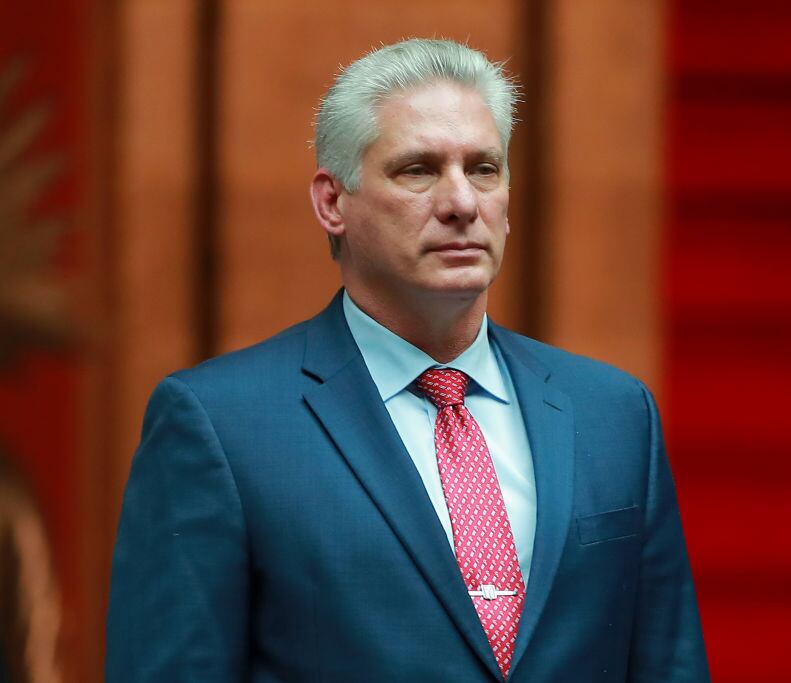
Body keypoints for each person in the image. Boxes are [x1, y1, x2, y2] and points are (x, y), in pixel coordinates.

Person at [106, 38, 709, 682]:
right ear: (333, 203)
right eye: (418, 169)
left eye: (484, 168)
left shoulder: (614, 414)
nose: (461, 203)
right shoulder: (220, 425)